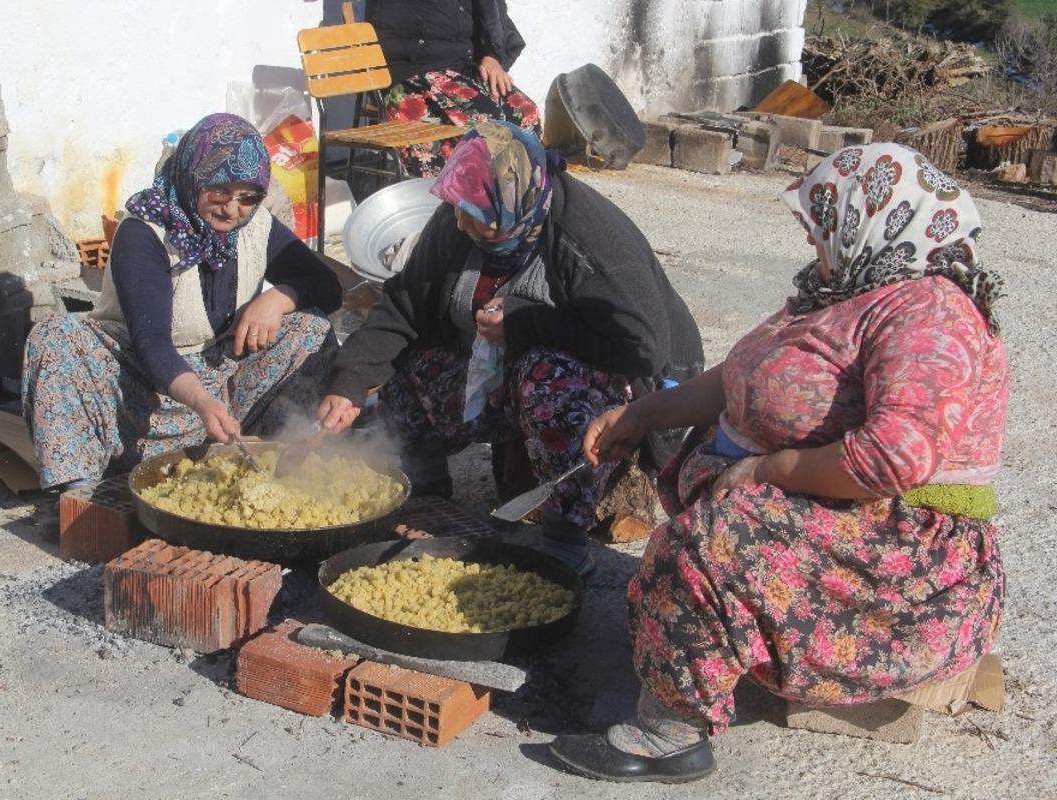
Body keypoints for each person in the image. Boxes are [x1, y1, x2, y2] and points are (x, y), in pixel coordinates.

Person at [549, 142, 1008, 782]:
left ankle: (670, 733)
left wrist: (767, 473)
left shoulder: (930, 314)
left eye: (821, 220)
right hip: (844, 511)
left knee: (704, 549)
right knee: (702, 546)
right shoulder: (849, 285)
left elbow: (895, 458)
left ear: (874, 219)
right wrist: (644, 414)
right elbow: (745, 377)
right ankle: (717, 643)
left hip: (905, 558)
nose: (811, 235)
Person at [315, 121, 703, 576]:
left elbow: (641, 347)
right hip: (502, 364)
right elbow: (406, 304)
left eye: (472, 214)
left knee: (545, 375)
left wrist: (525, 323)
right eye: (457, 210)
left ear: (513, 200)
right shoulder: (465, 209)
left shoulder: (591, 238)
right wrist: (351, 381)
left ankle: (565, 532)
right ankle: (425, 489)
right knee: (410, 365)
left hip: (610, 384)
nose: (458, 222)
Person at [22, 113, 343, 490]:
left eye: (247, 197)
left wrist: (278, 297)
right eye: (219, 192)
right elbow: (151, 342)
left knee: (312, 329)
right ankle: (81, 491)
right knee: (56, 338)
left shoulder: (256, 225)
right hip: (139, 381)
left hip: (219, 377)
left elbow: (327, 286)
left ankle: (270, 456)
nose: (231, 209)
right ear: (193, 178)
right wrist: (204, 403)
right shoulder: (145, 233)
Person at [366, 0, 542, 176]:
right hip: (410, 71)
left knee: (526, 113)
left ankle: (518, 196)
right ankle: (461, 195)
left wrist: (492, 55)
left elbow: (490, 12)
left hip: (461, 67)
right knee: (488, 125)